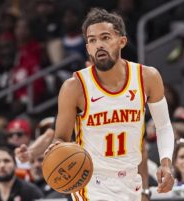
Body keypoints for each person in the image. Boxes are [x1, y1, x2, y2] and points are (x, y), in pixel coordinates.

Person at [45, 8, 175, 201]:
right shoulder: (75, 87)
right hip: (92, 183)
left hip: (131, 181)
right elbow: (61, 137)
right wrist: (55, 148)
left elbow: (163, 126)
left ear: (122, 41)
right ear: (87, 47)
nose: (99, 45)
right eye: (92, 40)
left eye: (105, 37)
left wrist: (166, 163)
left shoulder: (147, 77)